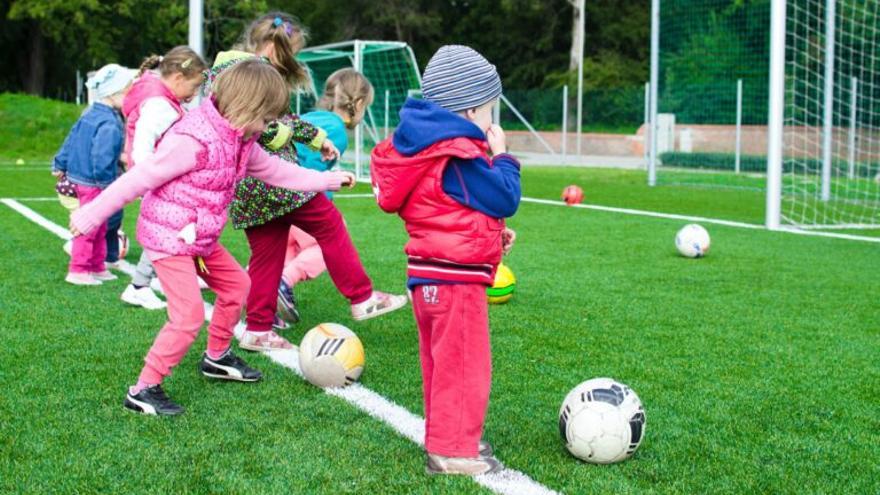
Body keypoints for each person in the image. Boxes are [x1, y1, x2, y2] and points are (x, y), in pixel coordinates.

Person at [69, 60, 355, 416]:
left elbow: (276, 171)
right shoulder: (192, 140)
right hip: (169, 238)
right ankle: (142, 389)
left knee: (238, 286)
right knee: (188, 317)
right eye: (267, 119)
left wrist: (325, 180)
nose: (269, 128)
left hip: (199, 238)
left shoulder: (242, 139)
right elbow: (139, 178)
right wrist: (91, 214)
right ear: (246, 107)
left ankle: (216, 357)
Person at [210, 12, 406, 353]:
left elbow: (282, 119)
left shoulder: (231, 69)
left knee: (267, 255)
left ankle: (257, 329)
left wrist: (317, 139)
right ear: (272, 47)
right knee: (330, 224)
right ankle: (362, 297)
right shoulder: (248, 73)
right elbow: (262, 126)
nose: (291, 62)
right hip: (274, 180)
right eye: (290, 53)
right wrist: (295, 139)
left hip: (248, 188)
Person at [370, 45, 521, 475]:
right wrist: (504, 156)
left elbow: (448, 209)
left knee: (442, 365)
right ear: (471, 109)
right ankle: (452, 451)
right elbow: (504, 195)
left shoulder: (425, 150)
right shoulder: (457, 154)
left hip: (429, 276)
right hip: (454, 283)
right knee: (463, 365)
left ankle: (448, 436)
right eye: (491, 110)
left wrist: (491, 237)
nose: (493, 121)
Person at [276, 68, 375, 323]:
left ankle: (258, 293)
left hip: (275, 194)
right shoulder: (337, 132)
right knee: (326, 244)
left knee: (281, 253)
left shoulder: (311, 117)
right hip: (299, 197)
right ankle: (284, 282)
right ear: (359, 103)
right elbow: (309, 165)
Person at [118, 46, 208, 311]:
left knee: (178, 228)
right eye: (193, 87)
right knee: (167, 231)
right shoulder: (159, 105)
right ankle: (138, 286)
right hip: (159, 180)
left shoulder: (162, 97)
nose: (193, 97)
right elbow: (143, 147)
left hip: (161, 178)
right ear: (178, 79)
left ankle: (160, 279)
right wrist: (152, 179)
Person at [53, 64, 137, 286]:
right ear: (114, 93)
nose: (130, 98)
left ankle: (97, 266)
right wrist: (108, 186)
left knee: (100, 224)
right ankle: (79, 269)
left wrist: (60, 162)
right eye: (128, 92)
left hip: (84, 178)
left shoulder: (90, 113)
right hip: (95, 182)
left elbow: (71, 138)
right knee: (91, 225)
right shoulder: (110, 122)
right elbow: (102, 157)